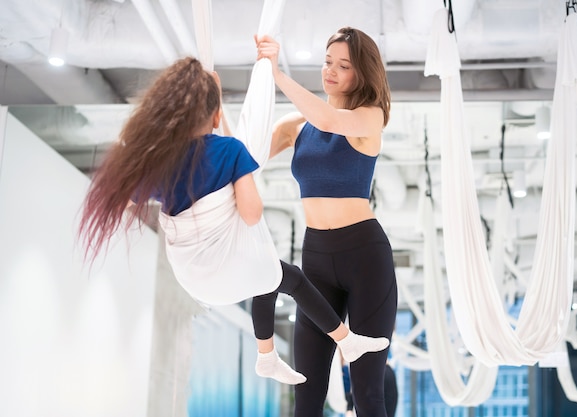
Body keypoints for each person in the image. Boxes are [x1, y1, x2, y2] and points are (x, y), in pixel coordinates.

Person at [77, 56, 390, 387]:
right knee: (286, 277)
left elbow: (130, 198)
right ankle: (343, 340)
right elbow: (251, 213)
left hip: (191, 275)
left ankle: (270, 357)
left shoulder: (161, 161)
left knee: (269, 273)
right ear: (216, 116)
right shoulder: (230, 151)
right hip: (226, 268)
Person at [256, 27, 398, 416]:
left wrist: (278, 73)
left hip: (365, 256)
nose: (331, 71)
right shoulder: (295, 126)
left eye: (344, 66)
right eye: (327, 62)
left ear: (362, 74)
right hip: (316, 256)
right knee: (307, 390)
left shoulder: (370, 118)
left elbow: (330, 119)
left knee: (368, 393)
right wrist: (211, 106)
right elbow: (245, 155)